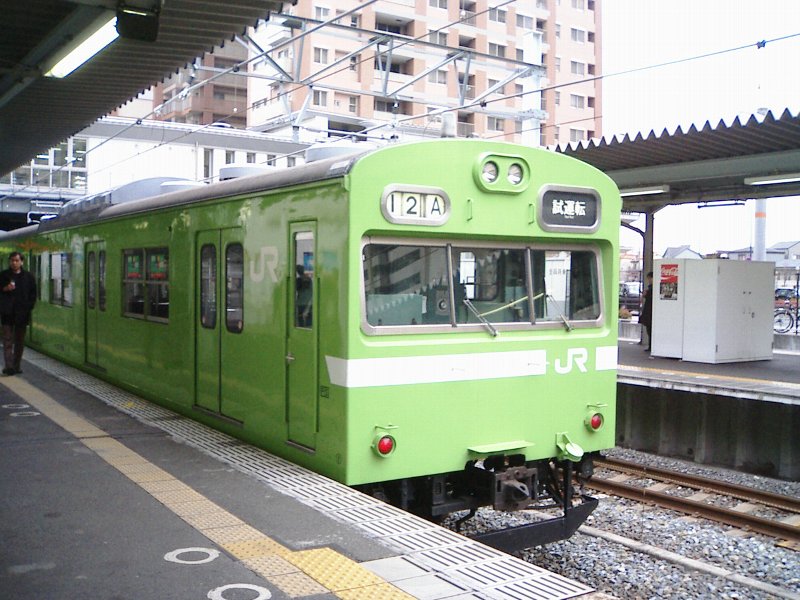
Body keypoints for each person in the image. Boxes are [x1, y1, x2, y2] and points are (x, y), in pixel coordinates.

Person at [0, 252, 37, 375]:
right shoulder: (3, 275)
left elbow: (33, 294)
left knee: (20, 341)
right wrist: (5, 288)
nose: (14, 263)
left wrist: (28, 307)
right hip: (7, 313)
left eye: (16, 260)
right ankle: (9, 367)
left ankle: (17, 366)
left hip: (22, 314)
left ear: (22, 262)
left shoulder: (29, 277)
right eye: (12, 260)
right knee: (7, 340)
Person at [639, 271, 653, 351]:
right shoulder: (650, 287)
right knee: (649, 329)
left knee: (650, 329)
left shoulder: (652, 288)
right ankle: (650, 346)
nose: (649, 280)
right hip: (649, 311)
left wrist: (645, 294)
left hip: (649, 311)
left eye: (649, 278)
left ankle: (651, 346)